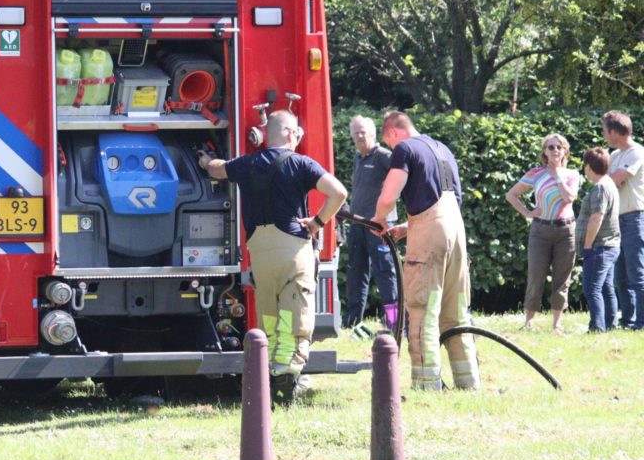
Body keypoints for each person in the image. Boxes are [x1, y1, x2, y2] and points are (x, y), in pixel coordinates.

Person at [198, 109, 347, 405]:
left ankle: (272, 374)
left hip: (260, 254)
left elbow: (218, 169)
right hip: (293, 249)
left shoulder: (247, 164)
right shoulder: (301, 163)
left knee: (270, 316)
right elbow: (339, 193)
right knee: (296, 317)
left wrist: (204, 160)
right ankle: (285, 384)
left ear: (266, 134)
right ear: (291, 134)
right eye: (298, 132)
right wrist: (317, 222)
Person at [372, 111, 480, 391]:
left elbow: (389, 196)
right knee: (455, 310)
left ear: (393, 132)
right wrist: (407, 228)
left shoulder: (405, 149)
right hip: (456, 232)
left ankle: (426, 383)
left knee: (422, 309)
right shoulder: (443, 150)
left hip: (431, 235)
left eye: (389, 141)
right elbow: (446, 201)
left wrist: (380, 219)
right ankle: (468, 382)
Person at [505, 133, 580, 331]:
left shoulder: (572, 174)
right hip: (540, 230)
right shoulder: (535, 174)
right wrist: (527, 213)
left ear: (565, 150)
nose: (555, 150)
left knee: (562, 278)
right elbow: (511, 195)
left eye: (559, 147)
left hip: (566, 231)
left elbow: (569, 197)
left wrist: (556, 175)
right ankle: (529, 322)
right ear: (544, 152)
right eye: (551, 147)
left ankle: (557, 324)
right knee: (535, 276)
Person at [344, 115, 399, 331]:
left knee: (385, 272)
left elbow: (403, 177)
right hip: (358, 224)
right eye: (355, 132)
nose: (358, 136)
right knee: (356, 273)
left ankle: (394, 320)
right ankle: (352, 321)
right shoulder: (358, 158)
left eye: (362, 132)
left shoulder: (384, 156)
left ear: (372, 134)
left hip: (379, 226)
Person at [602, 110, 644, 330]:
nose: (604, 134)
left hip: (635, 218)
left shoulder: (636, 153)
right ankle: (628, 320)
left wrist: (604, 179)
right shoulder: (615, 155)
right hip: (617, 220)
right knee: (621, 276)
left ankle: (642, 321)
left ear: (615, 131)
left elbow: (613, 181)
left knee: (637, 273)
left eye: (605, 130)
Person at [574, 147, 620, 333]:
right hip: (611, 246)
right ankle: (610, 324)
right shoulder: (610, 183)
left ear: (589, 166)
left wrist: (587, 244)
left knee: (592, 289)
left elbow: (597, 217)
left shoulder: (601, 187)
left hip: (599, 246)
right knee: (607, 288)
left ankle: (597, 327)